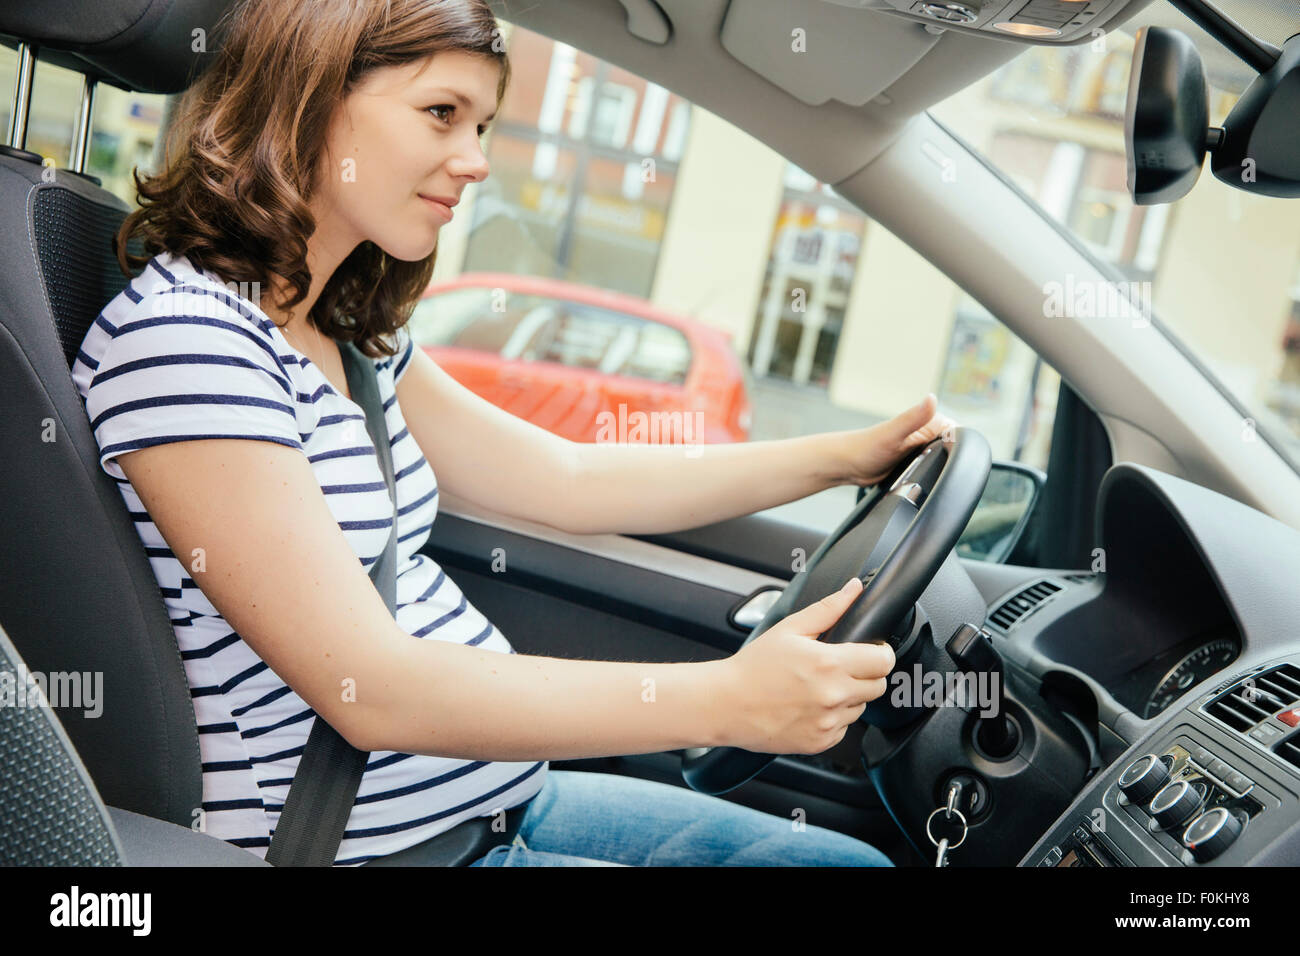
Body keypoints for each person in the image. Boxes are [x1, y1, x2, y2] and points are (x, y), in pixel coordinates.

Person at [72, 0, 953, 866]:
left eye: (483, 127)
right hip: (365, 846)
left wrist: (844, 457)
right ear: (309, 97)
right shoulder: (190, 341)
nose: (475, 162)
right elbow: (372, 690)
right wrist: (727, 699)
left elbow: (568, 478)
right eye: (441, 114)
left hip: (500, 802)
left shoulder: (338, 330)